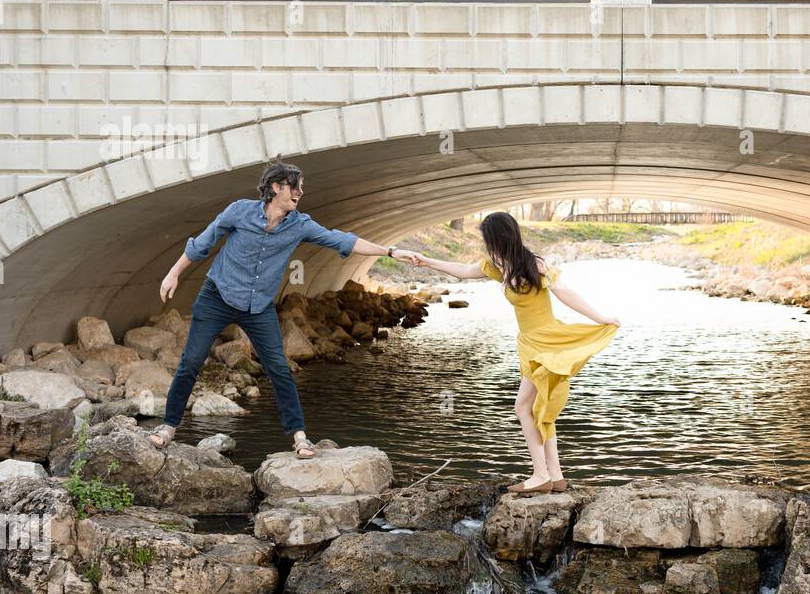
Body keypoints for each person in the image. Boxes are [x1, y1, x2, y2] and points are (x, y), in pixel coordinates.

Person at [150, 161, 402, 459]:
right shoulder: (239, 211)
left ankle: (299, 437)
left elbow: (342, 239)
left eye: (302, 188)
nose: (300, 193)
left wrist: (390, 251)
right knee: (191, 363)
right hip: (216, 297)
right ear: (276, 187)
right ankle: (168, 427)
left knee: (280, 369)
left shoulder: (300, 225)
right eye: (295, 187)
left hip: (257, 308)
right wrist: (173, 273)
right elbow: (202, 243)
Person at [396, 212, 620, 493]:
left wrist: (601, 318)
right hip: (528, 343)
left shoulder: (534, 263)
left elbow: (564, 292)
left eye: (488, 239)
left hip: (547, 340)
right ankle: (556, 475)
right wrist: (426, 260)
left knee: (523, 407)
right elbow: (463, 270)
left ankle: (541, 475)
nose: (486, 245)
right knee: (540, 408)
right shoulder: (497, 266)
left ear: (499, 238)